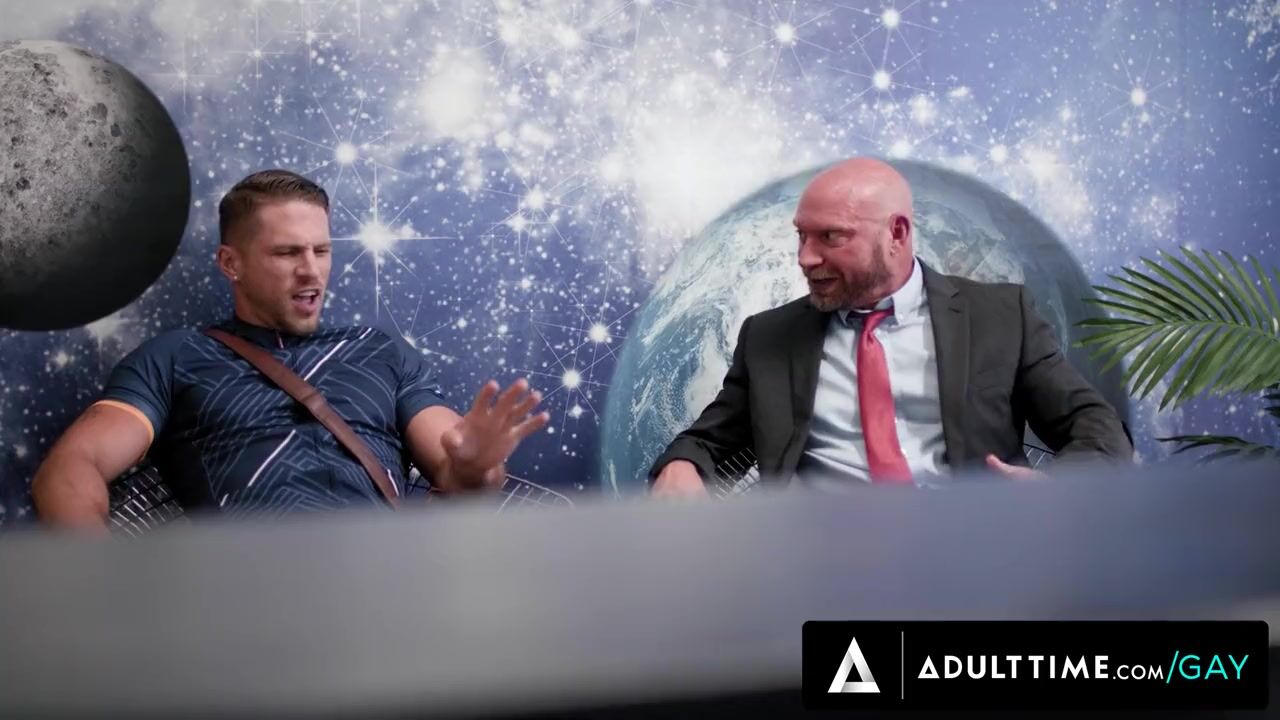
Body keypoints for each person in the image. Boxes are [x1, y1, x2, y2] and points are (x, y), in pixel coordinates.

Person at [32, 170, 549, 529]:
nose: (311, 270)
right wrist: (104, 592)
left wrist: (475, 466)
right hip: (248, 601)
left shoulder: (379, 350)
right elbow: (71, 467)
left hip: (386, 587)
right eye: (286, 253)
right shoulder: (175, 355)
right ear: (230, 263)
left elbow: (459, 471)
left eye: (321, 250)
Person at [650, 157, 1132, 497]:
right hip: (822, 567)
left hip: (974, 558)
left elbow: (1098, 429)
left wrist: (1057, 490)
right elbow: (707, 443)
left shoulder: (1000, 316)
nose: (806, 258)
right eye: (801, 236)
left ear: (896, 234)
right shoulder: (770, 337)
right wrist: (681, 466)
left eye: (831, 237)